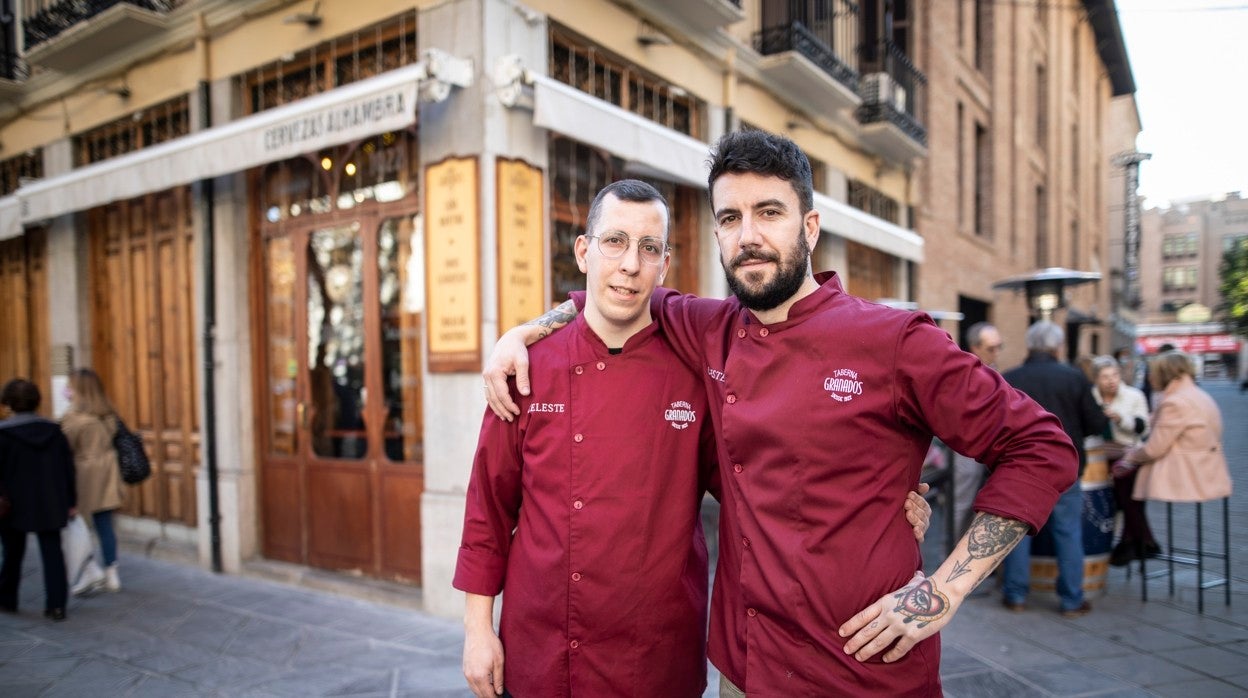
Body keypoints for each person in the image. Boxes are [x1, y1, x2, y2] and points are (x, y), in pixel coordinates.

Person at [484, 130, 1078, 695]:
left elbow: (1040, 446)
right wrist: (527, 332)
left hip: (863, 671)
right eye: (729, 218)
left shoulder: (894, 340)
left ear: (809, 226)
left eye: (769, 212)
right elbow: (617, 290)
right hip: (743, 670)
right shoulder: (708, 328)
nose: (748, 236)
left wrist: (941, 595)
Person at [455, 179, 932, 698]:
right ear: (583, 252)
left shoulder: (696, 370)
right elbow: (488, 508)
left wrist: (874, 501)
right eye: (614, 242)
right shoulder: (526, 369)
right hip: (540, 651)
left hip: (655, 657)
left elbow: (758, 484)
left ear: (665, 266)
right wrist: (478, 630)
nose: (630, 264)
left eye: (649, 248)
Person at [999, 322, 1108, 617]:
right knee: (1068, 531)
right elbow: (1097, 424)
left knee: (1015, 531)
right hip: (1063, 467)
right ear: (1058, 346)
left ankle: (1015, 594)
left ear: (1029, 345)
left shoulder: (1010, 378)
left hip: (1018, 466)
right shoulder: (1074, 378)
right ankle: (1072, 600)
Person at [0, 378, 76, 621]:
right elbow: (67, 468)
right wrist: (71, 500)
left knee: (12, 553)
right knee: (52, 552)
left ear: (9, 404)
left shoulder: (4, 435)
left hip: (11, 503)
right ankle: (56, 606)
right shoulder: (54, 431)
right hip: (49, 500)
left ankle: (7, 599)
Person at [1117, 351, 1232, 504]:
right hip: (1207, 470)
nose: (1150, 377)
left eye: (1153, 372)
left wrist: (1131, 456)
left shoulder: (1176, 402)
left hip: (1187, 476)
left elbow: (1154, 449)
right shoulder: (1197, 394)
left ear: (1164, 374)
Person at [60, 368, 126, 594]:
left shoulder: (73, 419)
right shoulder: (108, 414)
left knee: (80, 526)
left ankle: (89, 571)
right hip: (108, 471)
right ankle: (112, 573)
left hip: (84, 474)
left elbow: (64, 447)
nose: (66, 390)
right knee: (105, 524)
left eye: (69, 386)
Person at [1090, 355, 1157, 566]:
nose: (1111, 380)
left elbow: (1142, 428)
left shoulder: (1134, 395)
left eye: (1115, 375)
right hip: (1097, 454)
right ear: (1096, 379)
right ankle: (1139, 541)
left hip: (1127, 454)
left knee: (1125, 483)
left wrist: (1120, 419)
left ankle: (1134, 541)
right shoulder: (1089, 396)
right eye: (1105, 377)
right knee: (1123, 493)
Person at [951, 322, 1003, 537]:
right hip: (966, 449)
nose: (997, 353)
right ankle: (949, 557)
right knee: (961, 504)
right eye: (991, 348)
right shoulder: (963, 372)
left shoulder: (994, 373)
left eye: (1000, 347)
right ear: (975, 347)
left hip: (989, 449)